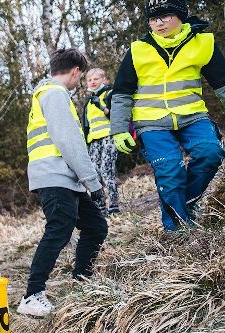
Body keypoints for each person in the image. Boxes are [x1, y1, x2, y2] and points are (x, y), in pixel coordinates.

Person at [110, 0, 225, 230]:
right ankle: (178, 231)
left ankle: (186, 204)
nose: (158, 23)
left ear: (181, 16)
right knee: (170, 170)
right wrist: (119, 129)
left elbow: (222, 84)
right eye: (153, 19)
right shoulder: (138, 49)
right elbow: (122, 92)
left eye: (165, 16)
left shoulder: (203, 43)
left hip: (192, 116)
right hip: (151, 122)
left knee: (211, 153)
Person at [17, 48, 109, 317]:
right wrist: (92, 181)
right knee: (59, 228)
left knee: (95, 226)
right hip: (55, 174)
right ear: (76, 71)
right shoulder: (56, 94)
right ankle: (32, 294)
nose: (79, 82)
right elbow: (69, 142)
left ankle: (82, 281)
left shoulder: (45, 94)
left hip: (63, 176)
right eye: (80, 77)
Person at [83, 68, 121, 215]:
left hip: (109, 136)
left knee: (106, 170)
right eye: (89, 80)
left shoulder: (109, 94)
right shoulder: (88, 103)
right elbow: (86, 124)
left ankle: (114, 205)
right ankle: (100, 207)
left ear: (104, 80)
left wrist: (101, 106)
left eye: (96, 79)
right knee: (94, 173)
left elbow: (116, 116)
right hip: (93, 141)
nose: (92, 82)